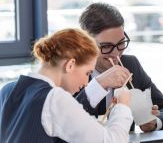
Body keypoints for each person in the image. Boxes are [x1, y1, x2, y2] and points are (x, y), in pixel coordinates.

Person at [0, 28, 133, 143]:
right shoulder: (55, 99)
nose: (86, 82)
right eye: (88, 73)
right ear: (70, 65)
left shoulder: (7, 90)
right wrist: (123, 105)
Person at [75, 2, 163, 132]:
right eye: (106, 46)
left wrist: (153, 122)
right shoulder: (72, 71)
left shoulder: (131, 65)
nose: (116, 53)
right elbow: (65, 120)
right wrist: (99, 83)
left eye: (121, 43)